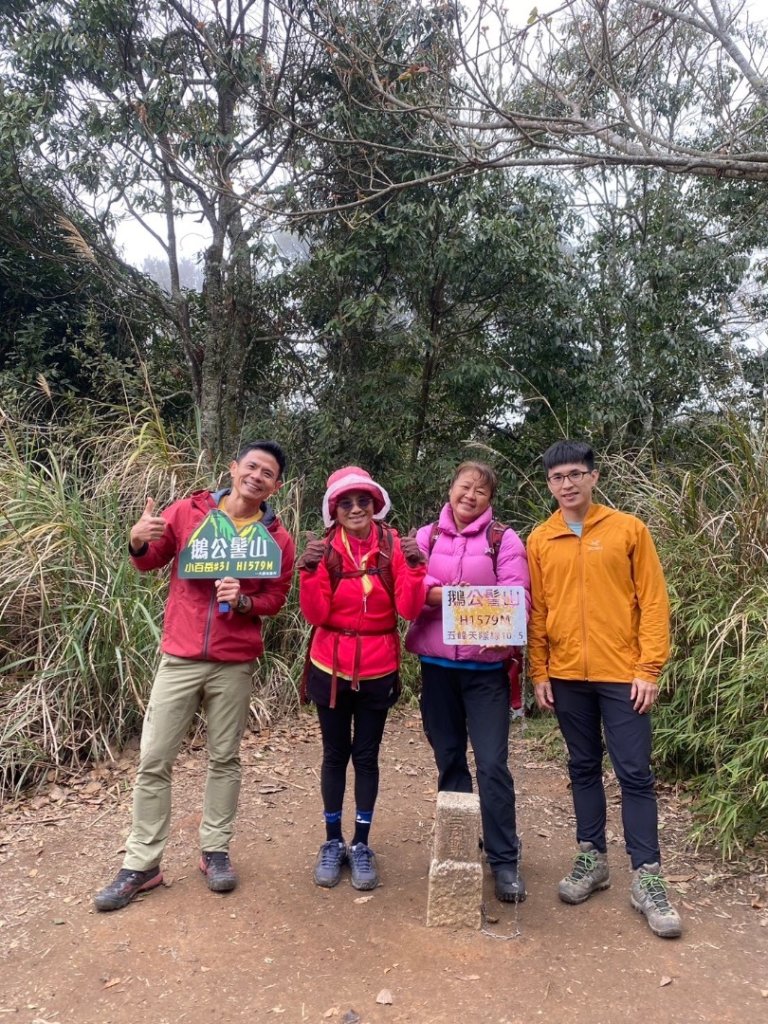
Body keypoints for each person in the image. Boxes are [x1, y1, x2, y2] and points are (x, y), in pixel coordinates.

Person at [93, 440, 295, 911]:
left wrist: (244, 600)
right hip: (181, 655)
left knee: (224, 758)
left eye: (268, 472)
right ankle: (142, 864)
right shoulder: (189, 511)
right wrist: (138, 538)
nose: (257, 476)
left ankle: (215, 851)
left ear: (276, 485)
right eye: (251, 466)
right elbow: (149, 560)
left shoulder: (277, 538)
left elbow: (276, 597)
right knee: (154, 758)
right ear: (234, 468)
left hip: (234, 659)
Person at [527, 439, 682, 939]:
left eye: (575, 474)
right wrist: (540, 672)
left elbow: (653, 603)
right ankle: (591, 858)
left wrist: (649, 668)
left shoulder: (628, 530)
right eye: (557, 478)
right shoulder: (541, 539)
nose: (566, 485)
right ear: (548, 485)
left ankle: (647, 877)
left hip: (622, 674)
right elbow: (538, 612)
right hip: (568, 673)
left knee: (635, 772)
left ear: (593, 477)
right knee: (582, 765)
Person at [405, 461, 530, 903]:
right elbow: (409, 590)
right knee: (450, 758)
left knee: (493, 764)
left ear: (490, 499)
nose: (471, 495)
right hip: (437, 669)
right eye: (464, 486)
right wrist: (457, 596)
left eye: (481, 490)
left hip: (487, 673)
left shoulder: (504, 540)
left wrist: (447, 596)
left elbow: (517, 601)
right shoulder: (426, 537)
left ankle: (504, 860)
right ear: (451, 488)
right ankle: (458, 849)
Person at [298, 466, 426, 891]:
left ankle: (362, 843)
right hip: (330, 666)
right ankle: (332, 841)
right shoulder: (325, 550)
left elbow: (408, 610)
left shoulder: (392, 546)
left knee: (366, 756)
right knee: (335, 754)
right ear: (334, 509)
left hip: (377, 666)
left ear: (375, 505)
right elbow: (315, 615)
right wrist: (310, 572)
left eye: (363, 501)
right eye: (346, 503)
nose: (356, 509)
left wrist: (414, 567)